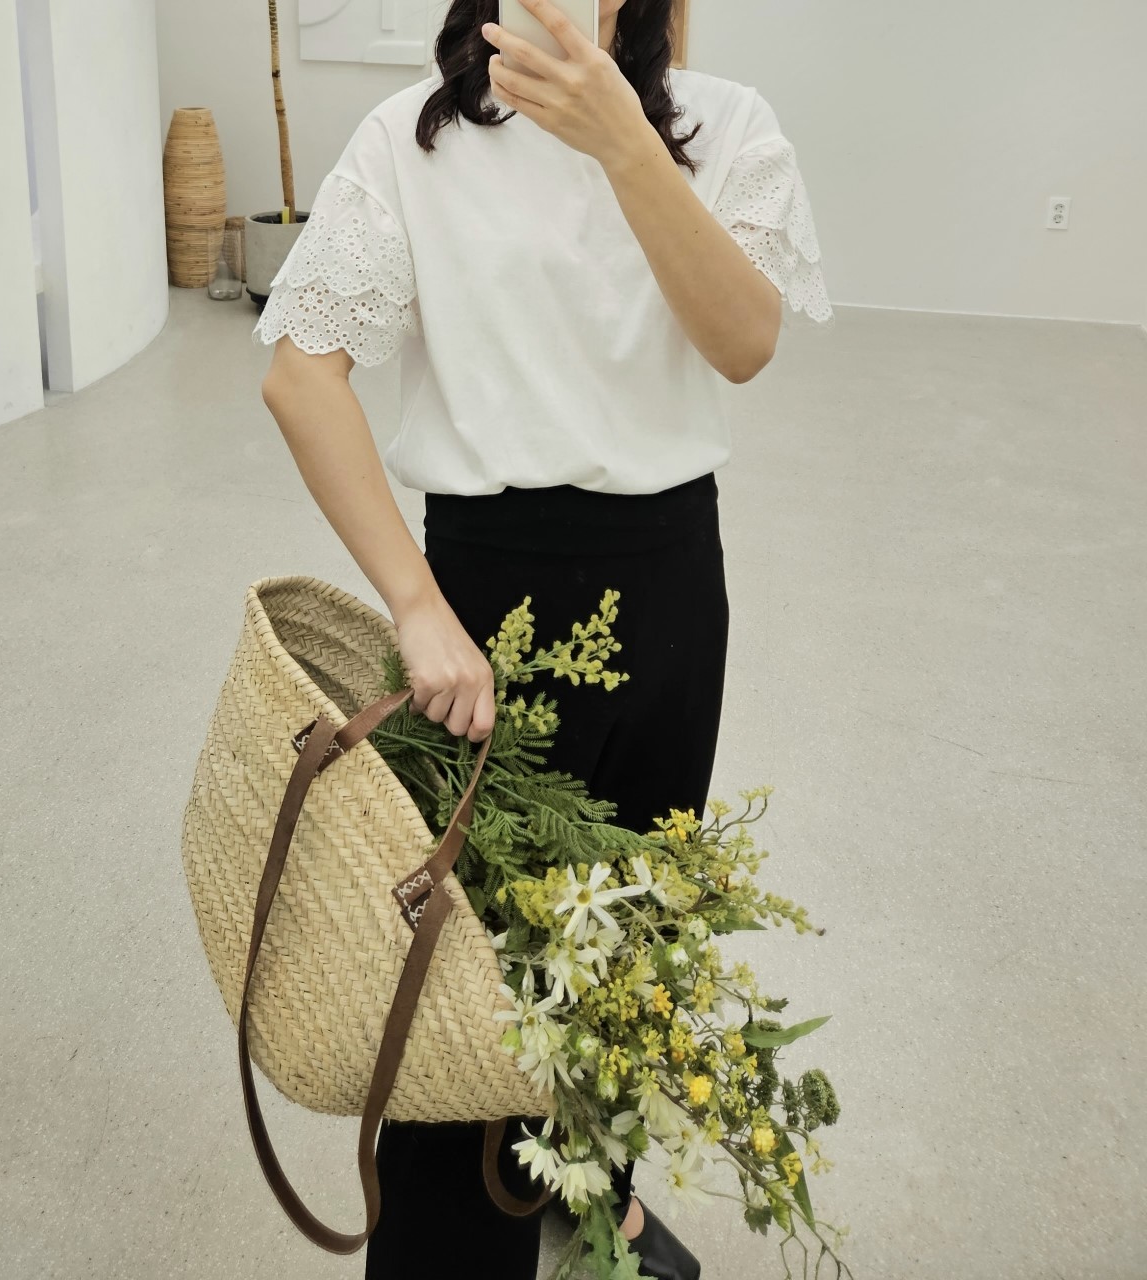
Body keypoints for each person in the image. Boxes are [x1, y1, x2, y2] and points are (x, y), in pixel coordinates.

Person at [253, 0, 832, 1274]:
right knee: (457, 980)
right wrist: (416, 605)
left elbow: (743, 342)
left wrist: (626, 141)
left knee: (628, 939)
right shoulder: (411, 140)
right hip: (483, 606)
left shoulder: (726, 125)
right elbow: (301, 373)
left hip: (671, 591)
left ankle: (596, 1188)